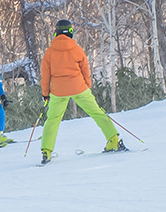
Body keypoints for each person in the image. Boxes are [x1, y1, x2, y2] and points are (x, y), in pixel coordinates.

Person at [38, 19, 122, 164]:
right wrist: (87, 86)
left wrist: (46, 94)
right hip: (79, 87)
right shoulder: (76, 49)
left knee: (52, 120)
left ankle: (47, 151)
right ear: (70, 32)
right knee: (97, 112)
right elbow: (85, 70)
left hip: (58, 91)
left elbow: (45, 75)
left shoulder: (49, 52)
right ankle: (113, 140)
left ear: (56, 32)